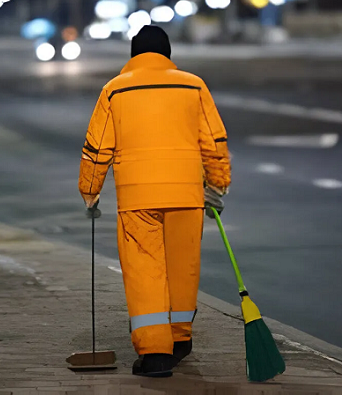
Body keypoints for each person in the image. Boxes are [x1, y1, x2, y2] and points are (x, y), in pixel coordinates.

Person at [78, 25, 231, 377]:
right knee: (182, 267)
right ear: (168, 54)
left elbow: (98, 146)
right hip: (186, 193)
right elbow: (213, 140)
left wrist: (90, 190)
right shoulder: (193, 85)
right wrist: (218, 186)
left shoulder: (115, 90)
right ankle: (180, 339)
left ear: (133, 55)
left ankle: (156, 353)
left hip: (137, 198)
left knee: (145, 271)